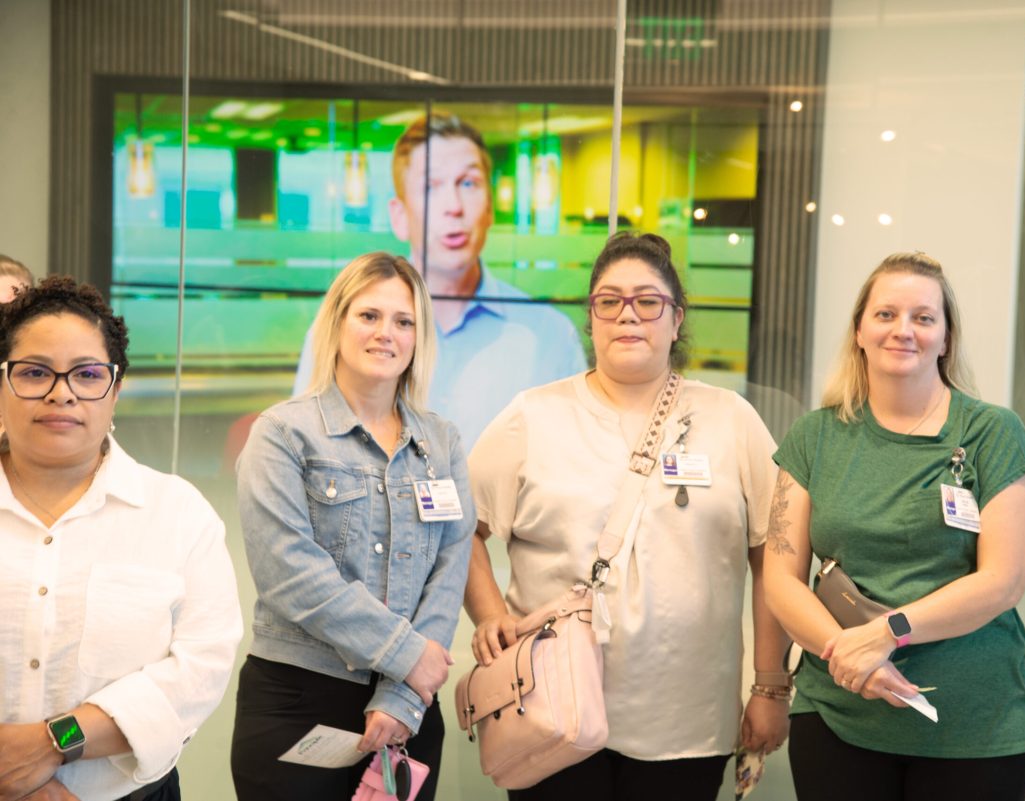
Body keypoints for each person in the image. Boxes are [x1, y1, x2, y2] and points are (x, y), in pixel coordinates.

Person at [465, 232, 790, 801]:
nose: (627, 315)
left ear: (676, 319)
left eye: (648, 301)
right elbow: (461, 529)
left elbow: (774, 558)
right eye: (609, 301)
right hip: (549, 707)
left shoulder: (731, 419)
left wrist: (770, 687)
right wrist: (490, 616)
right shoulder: (533, 415)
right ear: (591, 320)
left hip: (687, 716)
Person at [763, 252, 1025, 801]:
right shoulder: (814, 437)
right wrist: (849, 658)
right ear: (859, 332)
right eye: (886, 314)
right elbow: (780, 579)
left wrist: (886, 633)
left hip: (971, 725)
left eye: (923, 317)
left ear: (945, 339)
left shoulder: (993, 433)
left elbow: (1004, 582)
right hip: (839, 712)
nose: (904, 330)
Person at [232, 252, 476, 801]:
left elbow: (450, 569)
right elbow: (289, 574)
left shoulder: (442, 443)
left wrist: (403, 694)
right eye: (369, 315)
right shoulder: (282, 433)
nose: (386, 333)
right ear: (337, 322)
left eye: (403, 321)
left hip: (408, 707)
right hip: (298, 703)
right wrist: (407, 656)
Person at [0, 276, 242, 801]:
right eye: (35, 371)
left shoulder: (177, 514)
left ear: (116, 390)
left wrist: (52, 744)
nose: (61, 392)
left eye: (88, 374)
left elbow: (199, 671)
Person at [294, 114, 586, 448]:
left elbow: (571, 460)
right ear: (399, 216)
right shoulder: (342, 332)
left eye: (468, 184)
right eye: (431, 187)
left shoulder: (550, 336)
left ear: (489, 208)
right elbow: (304, 444)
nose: (454, 207)